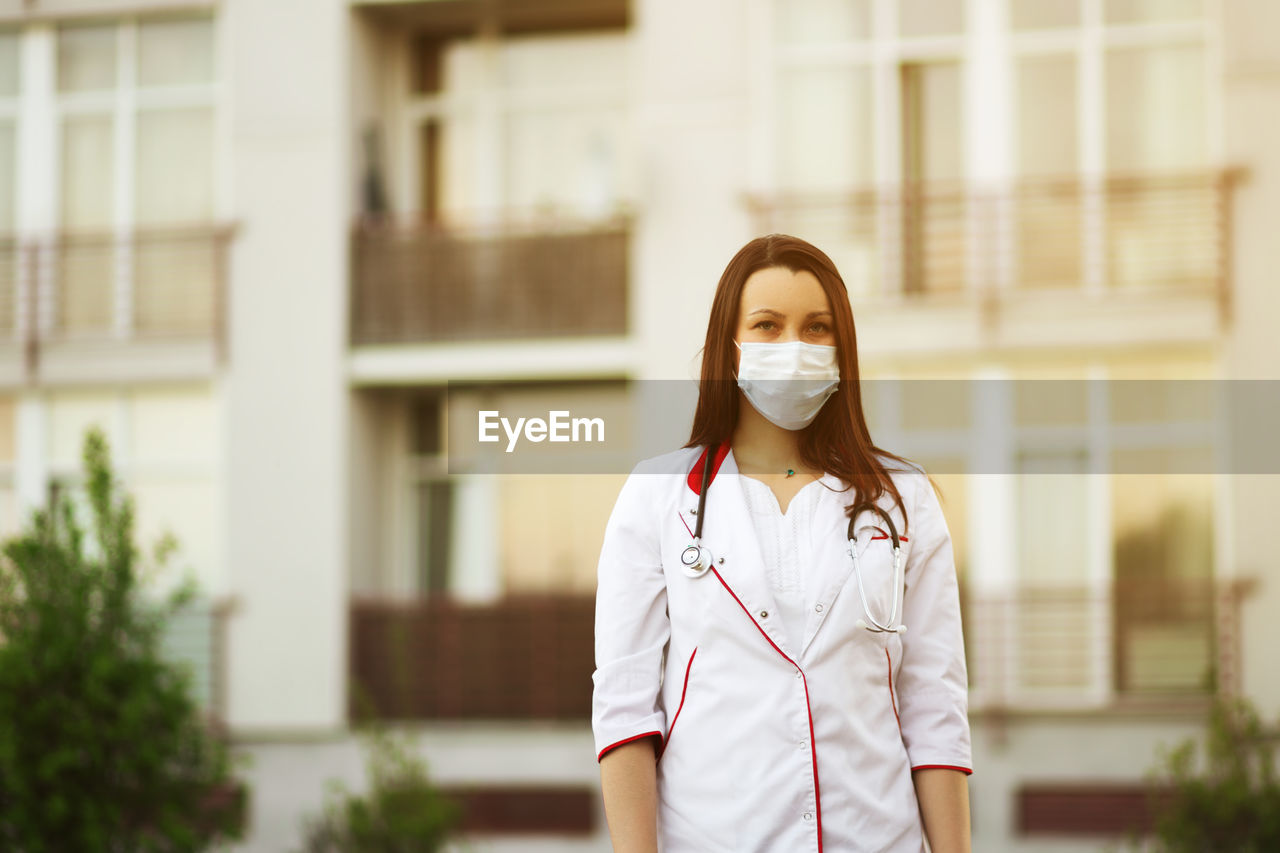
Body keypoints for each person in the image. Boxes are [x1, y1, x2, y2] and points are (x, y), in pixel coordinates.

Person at [591, 234, 972, 852]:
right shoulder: (657, 496)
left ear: (842, 347)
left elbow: (935, 707)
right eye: (767, 325)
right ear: (730, 345)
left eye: (817, 328)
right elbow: (626, 712)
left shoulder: (904, 500)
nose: (794, 347)